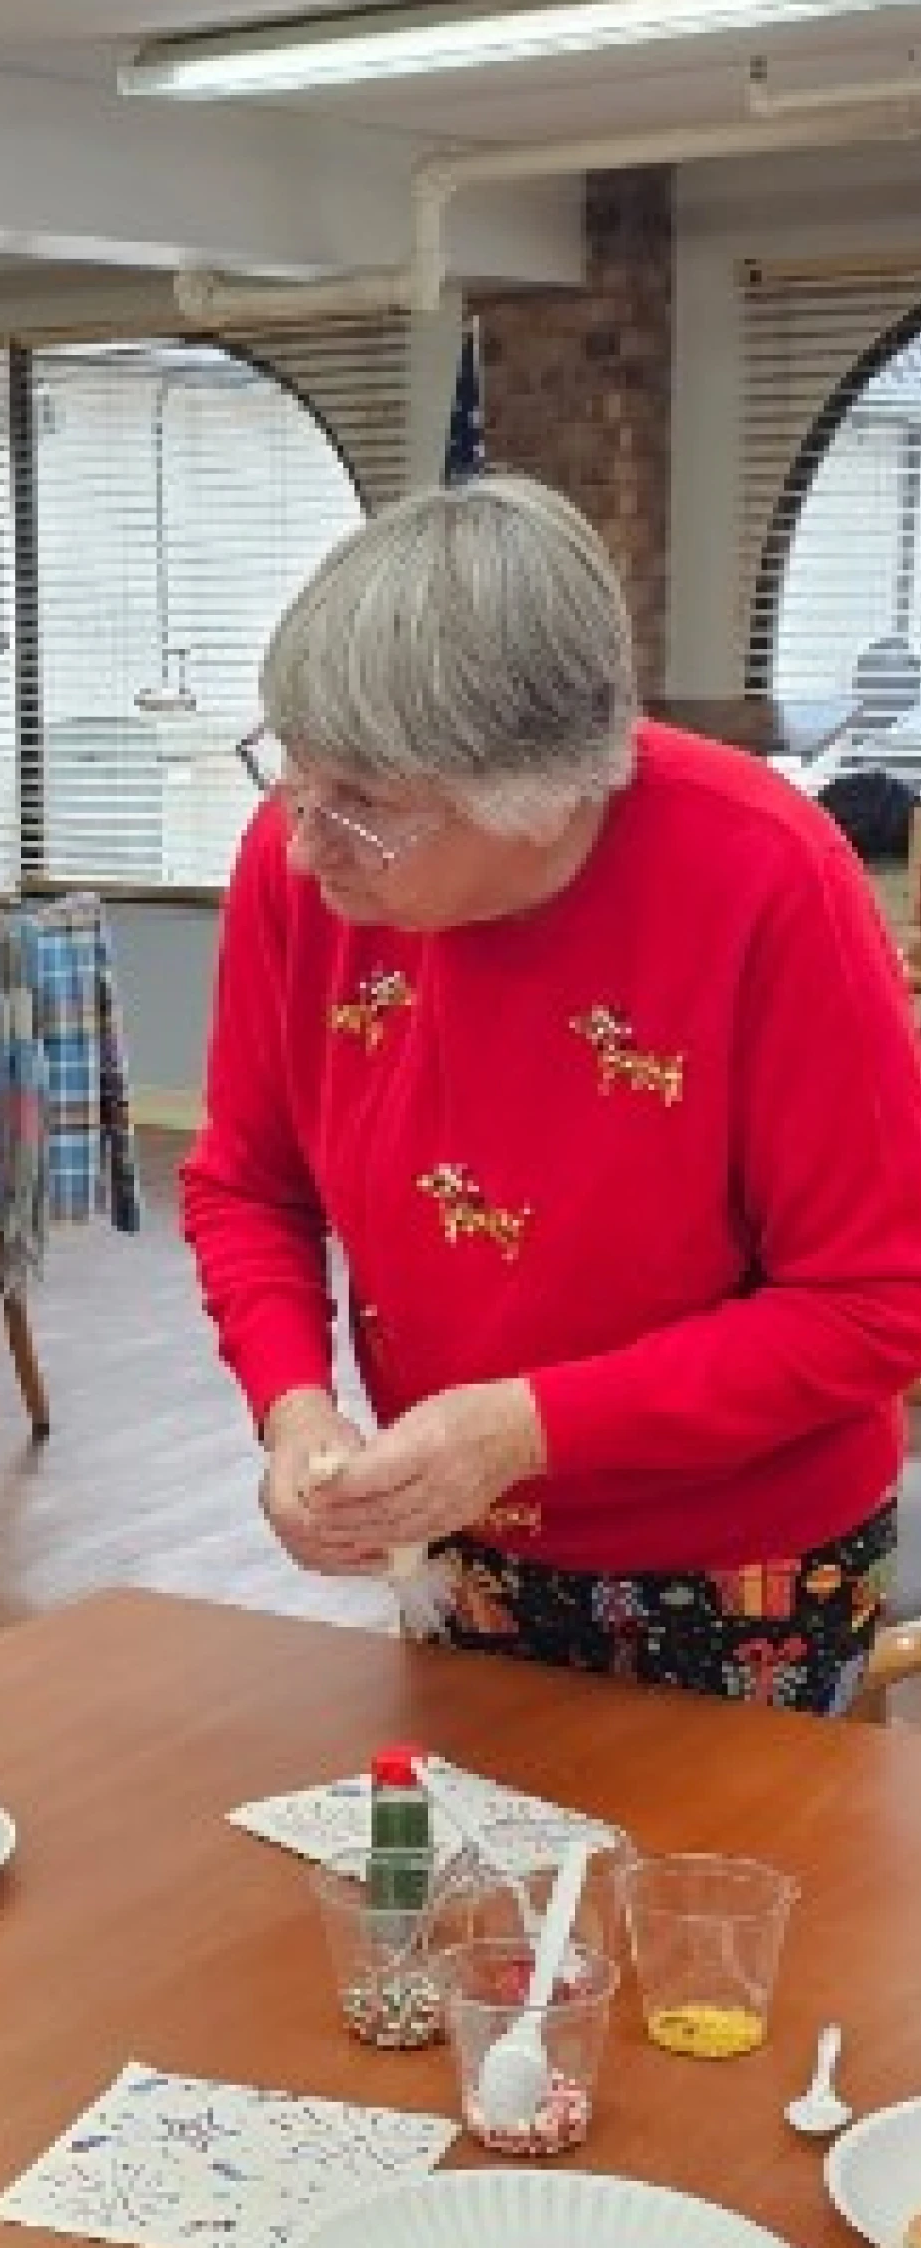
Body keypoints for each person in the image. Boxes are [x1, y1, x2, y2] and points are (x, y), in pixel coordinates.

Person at [182, 471, 921, 1716]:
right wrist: (294, 1408)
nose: (306, 844)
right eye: (293, 777)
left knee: (712, 1905)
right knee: (481, 1894)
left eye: (362, 806)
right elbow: (248, 1180)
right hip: (463, 1532)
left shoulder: (764, 876)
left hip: (745, 1553)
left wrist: (527, 1425)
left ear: (540, 796)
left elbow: (873, 1298)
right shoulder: (304, 863)